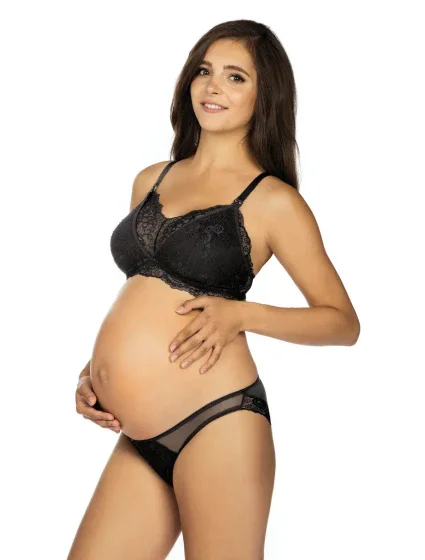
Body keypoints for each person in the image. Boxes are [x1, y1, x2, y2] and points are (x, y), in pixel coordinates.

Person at [69, 19, 360, 560]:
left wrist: (241, 316)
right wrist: (98, 372)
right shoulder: (152, 178)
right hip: (139, 436)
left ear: (264, 96)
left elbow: (343, 323)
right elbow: (143, 296)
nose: (213, 87)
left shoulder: (273, 201)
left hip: (219, 422)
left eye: (235, 77)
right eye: (204, 71)